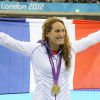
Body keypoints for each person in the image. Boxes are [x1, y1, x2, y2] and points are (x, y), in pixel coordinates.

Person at [0, 17, 100, 100]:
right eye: (57, 31)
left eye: (63, 30)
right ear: (47, 33)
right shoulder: (35, 49)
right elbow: (9, 41)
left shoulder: (71, 49)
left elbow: (91, 39)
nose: (61, 34)